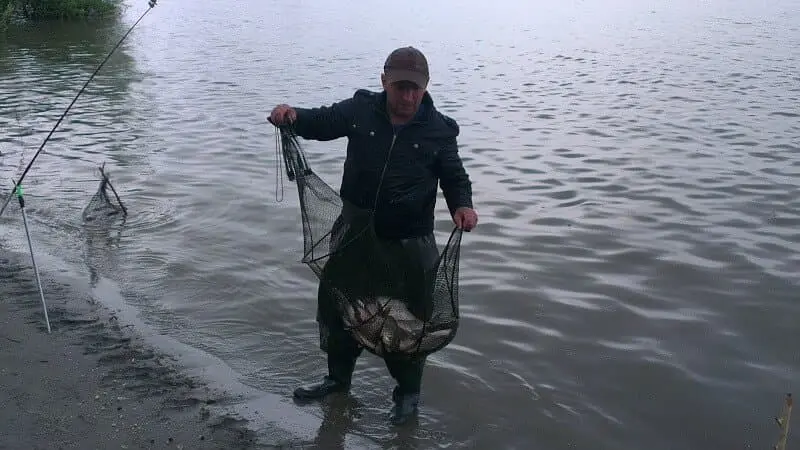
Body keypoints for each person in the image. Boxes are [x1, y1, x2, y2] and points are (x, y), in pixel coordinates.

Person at [268, 46, 478, 425]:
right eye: (400, 87)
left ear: (426, 86)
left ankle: (408, 396)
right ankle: (337, 381)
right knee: (339, 311)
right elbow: (324, 121)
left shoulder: (440, 130)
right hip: (355, 235)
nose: (408, 96)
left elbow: (454, 176)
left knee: (411, 325)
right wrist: (293, 116)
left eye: (415, 88)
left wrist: (462, 206)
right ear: (384, 82)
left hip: (410, 245)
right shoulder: (361, 109)